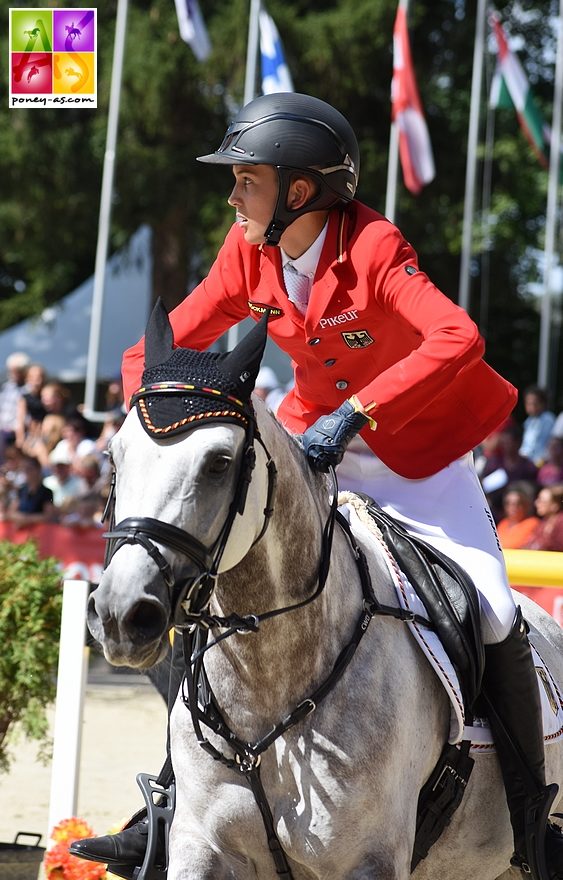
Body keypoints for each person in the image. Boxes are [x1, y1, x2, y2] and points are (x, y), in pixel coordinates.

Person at [72, 92, 563, 878]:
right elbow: (153, 355)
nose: (232, 194)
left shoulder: (370, 244)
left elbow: (457, 336)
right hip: (309, 445)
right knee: (202, 590)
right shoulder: (248, 251)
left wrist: (359, 412)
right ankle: (172, 801)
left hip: (417, 451)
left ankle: (532, 821)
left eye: (247, 179)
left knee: (494, 608)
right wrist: (160, 409)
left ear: (299, 191)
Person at [0, 352, 30, 451]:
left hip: (18, 433)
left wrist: (19, 435)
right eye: (12, 371)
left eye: (17, 371)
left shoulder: (28, 389)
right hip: (3, 430)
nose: (13, 374)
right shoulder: (7, 387)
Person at [519, 386, 556, 467]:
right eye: (529, 403)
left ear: (543, 404)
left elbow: (549, 446)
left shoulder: (548, 419)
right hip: (526, 462)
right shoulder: (528, 421)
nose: (532, 407)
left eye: (535, 404)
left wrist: (540, 463)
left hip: (539, 464)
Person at [496, 482, 540, 550]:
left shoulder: (533, 523)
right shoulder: (502, 524)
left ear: (525, 505)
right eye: (508, 503)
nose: (513, 507)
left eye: (518, 503)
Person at [524, 484, 563, 552]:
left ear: (555, 505)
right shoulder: (543, 523)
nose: (536, 503)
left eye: (542, 501)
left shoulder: (561, 522)